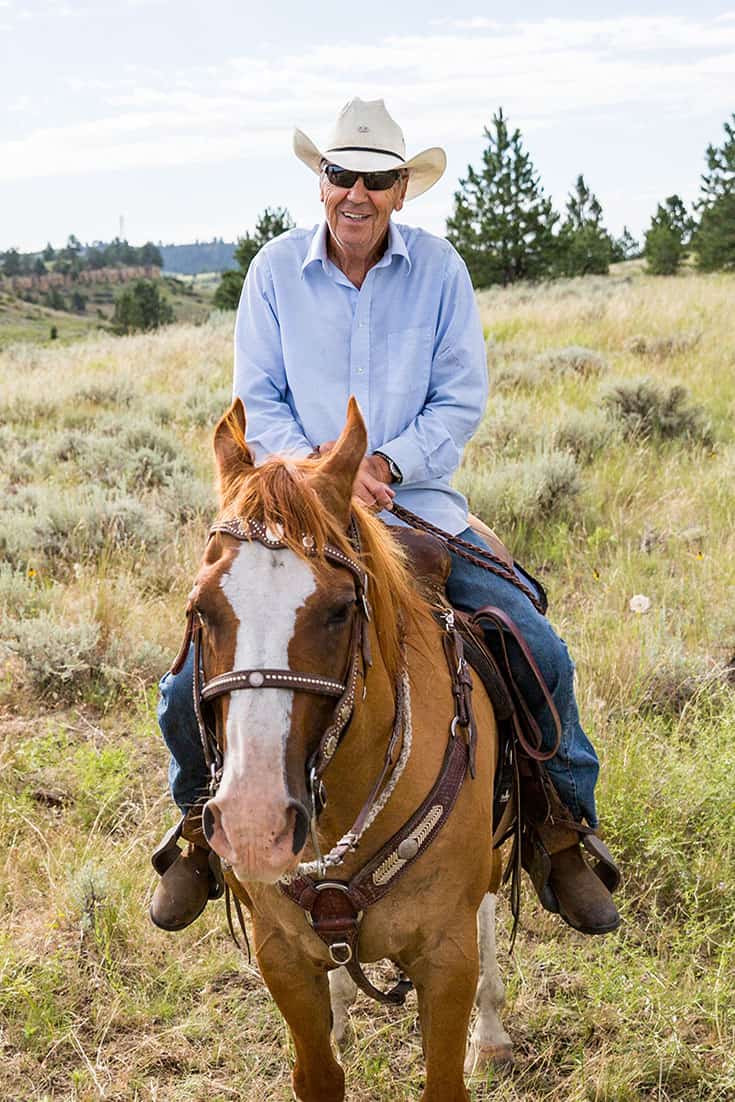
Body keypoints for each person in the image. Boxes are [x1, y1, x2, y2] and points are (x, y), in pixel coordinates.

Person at [151, 98, 620, 936]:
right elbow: (257, 400)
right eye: (340, 175)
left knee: (532, 645)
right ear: (320, 182)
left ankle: (558, 832)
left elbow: (458, 398)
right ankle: (198, 830)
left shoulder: (439, 271)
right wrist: (326, 477)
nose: (355, 193)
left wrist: (387, 463)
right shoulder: (272, 272)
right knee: (191, 675)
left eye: (375, 178)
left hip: (421, 502)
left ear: (402, 189)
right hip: (297, 515)